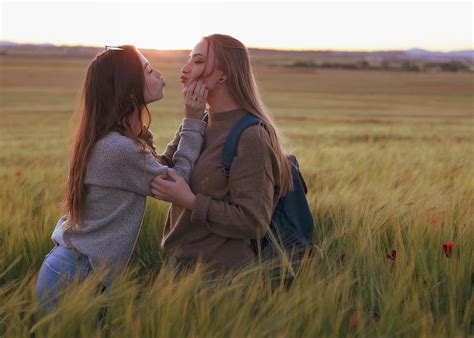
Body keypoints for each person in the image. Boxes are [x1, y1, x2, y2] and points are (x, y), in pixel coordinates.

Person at [36, 45, 207, 310]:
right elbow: (177, 181)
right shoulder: (120, 149)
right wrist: (194, 121)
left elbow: (159, 165)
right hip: (75, 277)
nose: (160, 75)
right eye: (149, 70)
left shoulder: (111, 140)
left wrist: (190, 123)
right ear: (129, 90)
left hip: (73, 271)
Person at [151, 34, 294, 274]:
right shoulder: (200, 121)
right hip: (180, 268)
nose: (185, 70)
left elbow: (253, 221)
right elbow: (161, 172)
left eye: (197, 62)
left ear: (223, 73)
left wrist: (190, 201)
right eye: (188, 60)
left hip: (221, 278)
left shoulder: (251, 136)